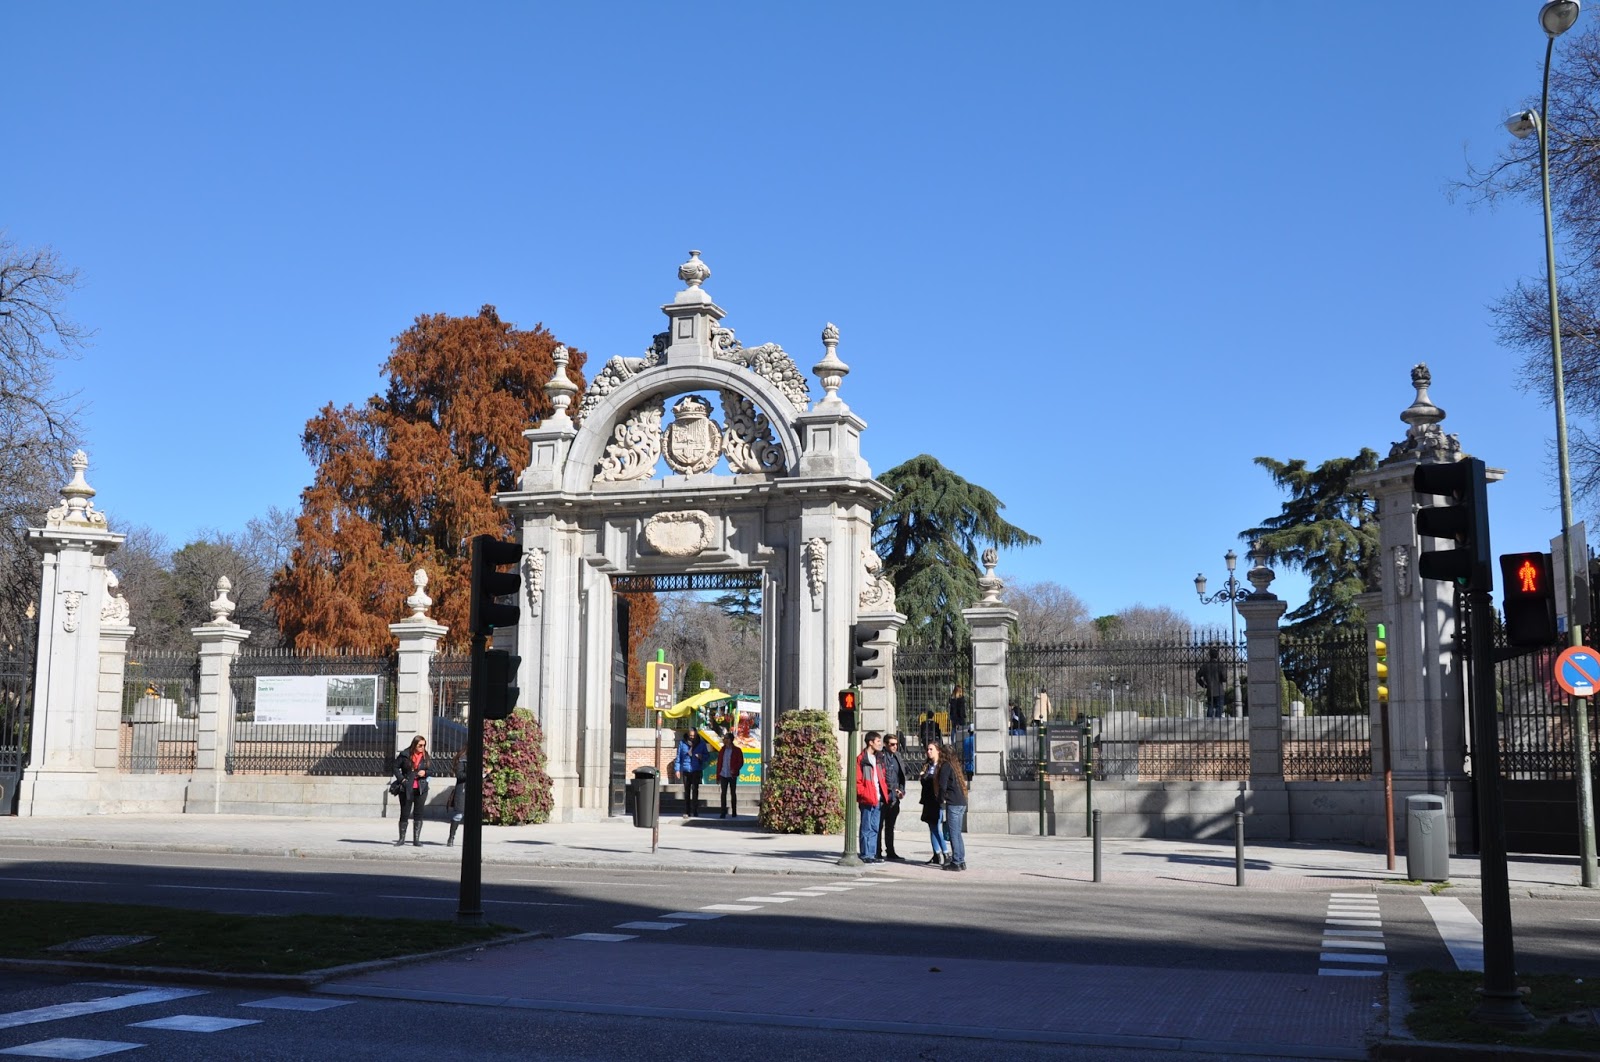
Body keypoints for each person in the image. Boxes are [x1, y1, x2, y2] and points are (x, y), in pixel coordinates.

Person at [855, 730, 890, 863]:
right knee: (866, 827)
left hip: (878, 797)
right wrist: (864, 793)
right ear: (870, 742)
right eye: (878, 741)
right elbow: (858, 780)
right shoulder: (861, 759)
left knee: (875, 827)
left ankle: (872, 853)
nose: (880, 744)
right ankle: (865, 854)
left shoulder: (879, 758)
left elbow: (883, 777)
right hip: (867, 798)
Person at [936, 740, 969, 871]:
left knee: (953, 833)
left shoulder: (945, 766)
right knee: (957, 833)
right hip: (961, 802)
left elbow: (942, 785)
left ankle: (956, 861)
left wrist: (940, 799)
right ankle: (961, 860)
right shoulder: (955, 766)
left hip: (953, 803)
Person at [392, 734, 430, 847]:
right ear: (414, 744)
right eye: (420, 745)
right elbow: (395, 767)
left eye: (424, 745)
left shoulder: (425, 756)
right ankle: (401, 839)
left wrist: (425, 773)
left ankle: (416, 840)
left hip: (421, 788)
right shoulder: (405, 755)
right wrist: (402, 779)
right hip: (406, 788)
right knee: (405, 813)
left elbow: (432, 770)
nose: (422, 747)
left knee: (418, 813)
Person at [919, 741, 952, 867]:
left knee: (937, 828)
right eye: (927, 749)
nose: (928, 752)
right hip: (928, 800)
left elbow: (941, 783)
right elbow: (923, 781)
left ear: (938, 751)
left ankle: (946, 853)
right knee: (931, 828)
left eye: (931, 749)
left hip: (937, 800)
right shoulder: (927, 766)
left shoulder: (942, 766)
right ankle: (936, 854)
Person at [879, 734, 908, 861]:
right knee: (879, 826)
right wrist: (893, 789)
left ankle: (890, 851)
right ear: (885, 744)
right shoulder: (881, 757)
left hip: (895, 798)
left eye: (896, 744)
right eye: (892, 744)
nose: (895, 746)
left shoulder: (897, 756)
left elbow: (902, 775)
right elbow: (883, 777)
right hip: (883, 797)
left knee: (890, 826)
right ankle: (877, 851)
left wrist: (901, 790)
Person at [674, 729, 710, 817]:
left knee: (695, 790)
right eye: (690, 736)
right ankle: (687, 811)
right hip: (686, 770)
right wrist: (677, 770)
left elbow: (707, 756)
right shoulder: (682, 743)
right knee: (686, 791)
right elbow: (678, 757)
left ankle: (695, 810)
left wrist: (701, 756)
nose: (692, 738)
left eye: (694, 736)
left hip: (696, 769)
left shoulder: (701, 743)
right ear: (688, 735)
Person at [714, 731, 744, 818]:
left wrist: (735, 769)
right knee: (723, 793)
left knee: (733, 793)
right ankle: (723, 812)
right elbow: (719, 763)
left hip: (732, 775)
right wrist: (718, 776)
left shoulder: (737, 750)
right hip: (723, 774)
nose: (725, 740)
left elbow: (740, 762)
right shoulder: (722, 750)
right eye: (724, 739)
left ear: (731, 740)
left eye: (727, 738)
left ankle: (734, 811)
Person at [1196, 648, 1227, 718]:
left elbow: (1197, 677)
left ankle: (1209, 722)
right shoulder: (1220, 665)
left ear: (1210, 655)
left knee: (1210, 707)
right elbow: (1224, 678)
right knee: (1219, 707)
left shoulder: (1205, 666)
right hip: (1219, 690)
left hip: (1210, 690)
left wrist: (1203, 685)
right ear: (1217, 655)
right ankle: (1218, 722)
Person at [446, 747, 467, 848]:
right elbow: (459, 775)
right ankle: (451, 838)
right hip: (462, 790)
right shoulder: (462, 759)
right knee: (459, 814)